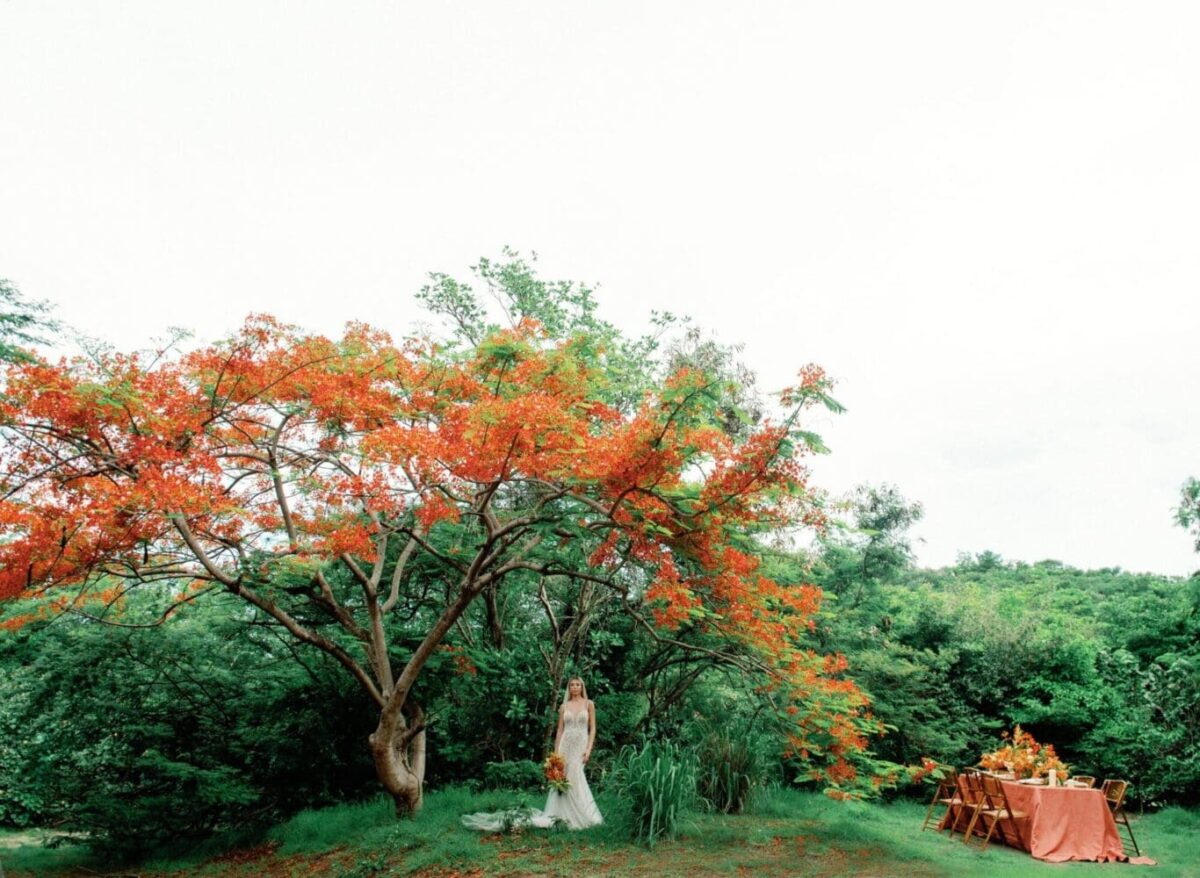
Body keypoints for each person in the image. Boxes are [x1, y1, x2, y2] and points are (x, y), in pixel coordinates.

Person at [462, 677, 603, 831]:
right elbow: (560, 730)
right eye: (572, 685)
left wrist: (588, 749)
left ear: (582, 687)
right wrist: (556, 755)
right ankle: (562, 815)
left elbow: (593, 729)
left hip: (580, 746)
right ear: (568, 688)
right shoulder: (564, 706)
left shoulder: (589, 704)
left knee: (576, 776)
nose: (575, 687)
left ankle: (582, 815)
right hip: (565, 745)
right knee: (563, 778)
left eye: (577, 685)